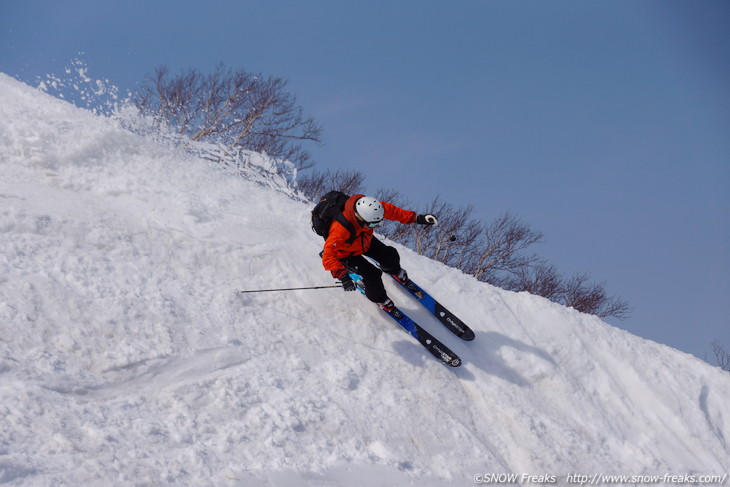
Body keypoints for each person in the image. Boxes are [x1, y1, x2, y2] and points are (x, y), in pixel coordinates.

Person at [320, 194, 438, 311]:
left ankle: (395, 271)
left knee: (389, 256)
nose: (376, 226)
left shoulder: (372, 208)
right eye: (373, 224)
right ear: (360, 219)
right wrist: (342, 275)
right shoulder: (340, 230)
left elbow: (393, 211)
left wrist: (418, 218)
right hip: (346, 254)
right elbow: (328, 255)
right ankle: (380, 299)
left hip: (364, 241)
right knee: (372, 275)